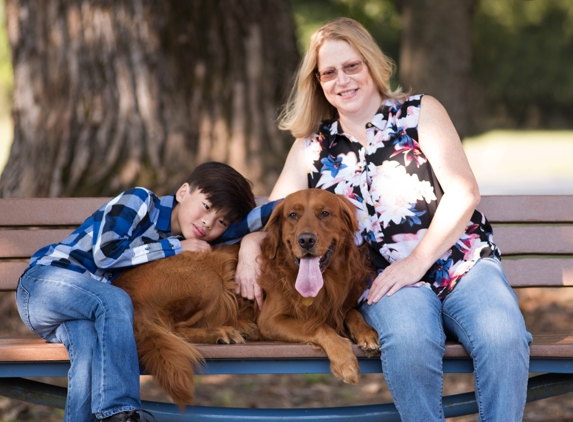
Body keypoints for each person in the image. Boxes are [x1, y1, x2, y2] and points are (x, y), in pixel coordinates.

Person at [235, 17, 532, 421]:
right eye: (329, 73)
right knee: (409, 342)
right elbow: (274, 216)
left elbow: (464, 192)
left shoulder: (419, 113)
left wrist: (416, 263)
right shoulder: (312, 146)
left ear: (372, 64)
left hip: (461, 264)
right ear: (318, 83)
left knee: (503, 337)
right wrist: (249, 246)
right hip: (385, 281)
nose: (342, 80)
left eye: (352, 66)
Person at [15, 162, 256, 422]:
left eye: (221, 221)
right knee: (116, 300)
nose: (208, 222)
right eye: (207, 206)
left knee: (88, 349)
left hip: (82, 314)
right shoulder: (141, 201)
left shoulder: (194, 241)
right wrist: (174, 247)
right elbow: (106, 254)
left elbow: (258, 219)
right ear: (183, 192)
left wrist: (253, 240)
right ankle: (121, 412)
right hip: (44, 285)